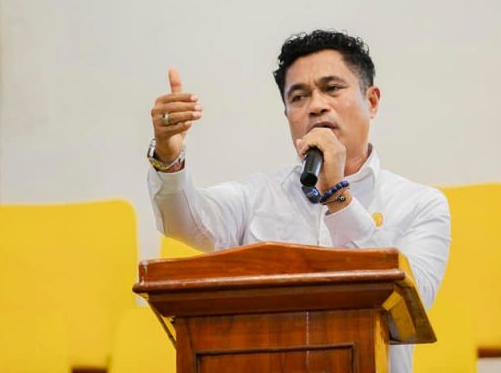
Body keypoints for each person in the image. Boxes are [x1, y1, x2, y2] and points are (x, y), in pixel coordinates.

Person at [147, 30, 451, 372]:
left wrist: (337, 195)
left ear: (372, 101)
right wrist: (168, 156)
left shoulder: (420, 205)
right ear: (288, 114)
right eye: (299, 97)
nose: (316, 105)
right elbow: (183, 220)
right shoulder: (257, 196)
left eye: (332, 88)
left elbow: (411, 309)